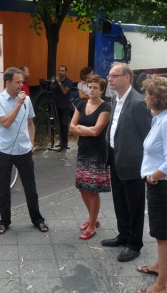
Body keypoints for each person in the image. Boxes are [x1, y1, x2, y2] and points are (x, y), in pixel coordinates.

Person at [101, 62, 152, 262]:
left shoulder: (138, 103)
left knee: (135, 205)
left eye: (114, 76)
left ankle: (134, 243)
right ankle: (123, 235)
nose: (109, 79)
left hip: (133, 163)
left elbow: (148, 136)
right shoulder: (115, 99)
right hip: (115, 158)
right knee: (119, 201)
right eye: (109, 75)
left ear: (127, 78)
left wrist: (147, 166)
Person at [0, 67, 48, 234]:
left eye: (22, 82)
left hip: (23, 150)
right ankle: (4, 221)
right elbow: (6, 123)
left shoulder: (27, 100)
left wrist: (31, 142)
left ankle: (37, 219)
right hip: (4, 150)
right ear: (8, 83)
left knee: (30, 187)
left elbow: (31, 122)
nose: (21, 85)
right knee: (3, 188)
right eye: (18, 82)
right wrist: (18, 104)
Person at [69, 75, 111, 240]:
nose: (92, 90)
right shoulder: (81, 104)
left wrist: (80, 128)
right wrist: (84, 129)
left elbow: (96, 131)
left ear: (101, 90)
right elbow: (71, 128)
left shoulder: (105, 107)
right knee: (82, 186)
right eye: (90, 87)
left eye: (95, 87)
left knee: (92, 190)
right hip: (83, 150)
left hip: (97, 153)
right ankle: (92, 217)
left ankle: (92, 226)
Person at [136, 77, 167, 293]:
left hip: (162, 185)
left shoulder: (165, 121)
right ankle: (160, 267)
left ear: (154, 98)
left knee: (162, 235)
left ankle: (162, 284)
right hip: (157, 184)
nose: (144, 97)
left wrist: (153, 177)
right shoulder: (158, 117)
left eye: (147, 94)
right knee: (160, 234)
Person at [52, 65, 73, 149]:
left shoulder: (69, 81)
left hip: (65, 106)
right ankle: (61, 142)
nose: (60, 72)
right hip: (57, 105)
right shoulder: (55, 81)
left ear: (65, 72)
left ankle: (65, 143)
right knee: (59, 125)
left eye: (62, 71)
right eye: (59, 70)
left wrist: (59, 82)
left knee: (64, 124)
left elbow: (64, 92)